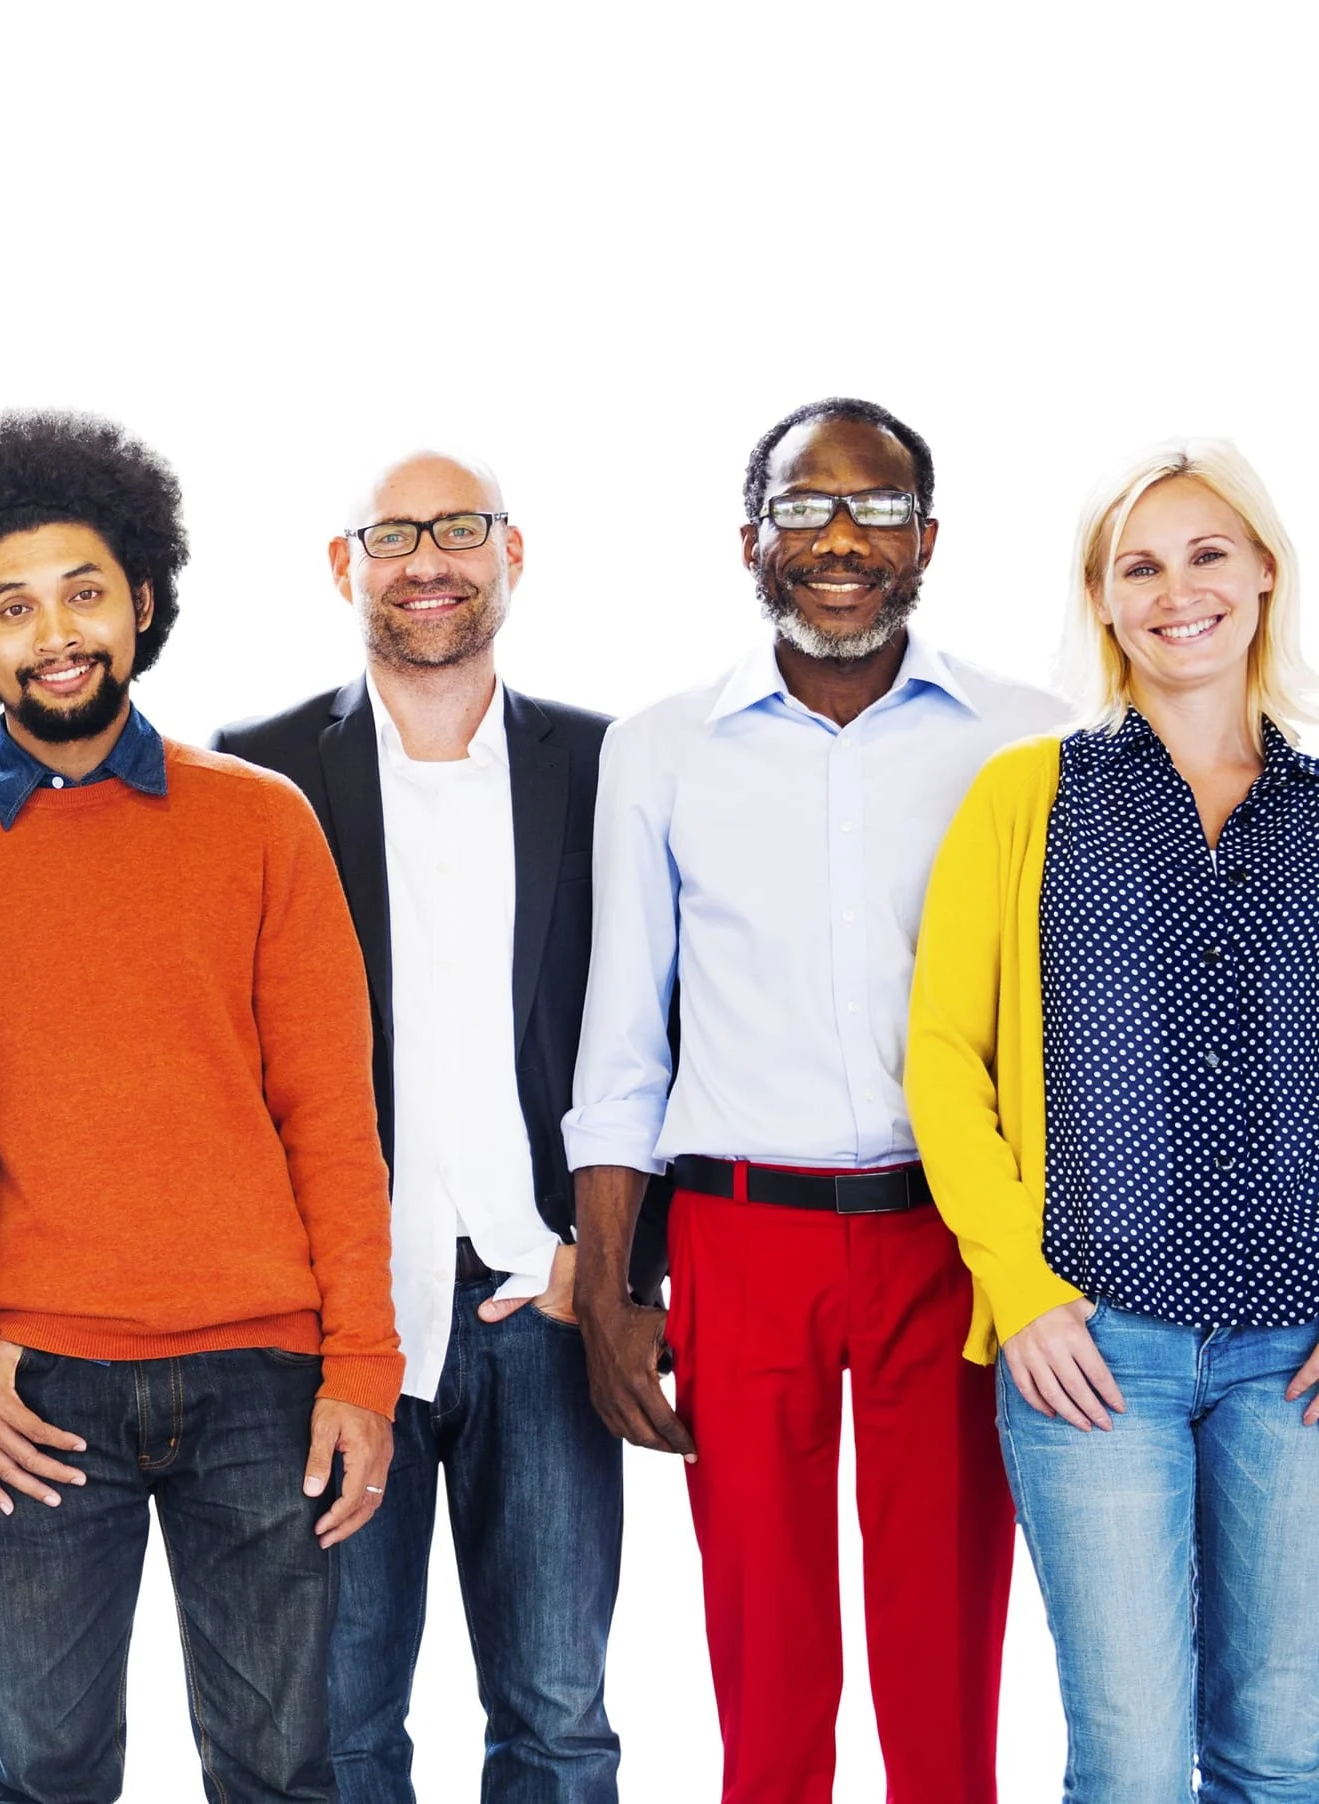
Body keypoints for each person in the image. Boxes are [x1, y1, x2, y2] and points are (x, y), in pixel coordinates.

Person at [0, 409, 399, 1804]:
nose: (56, 632)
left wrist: (361, 1369)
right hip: (34, 1393)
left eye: (85, 591)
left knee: (281, 1772)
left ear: (145, 599)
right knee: (41, 1772)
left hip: (263, 1383)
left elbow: (333, 1118)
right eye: (14, 607)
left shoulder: (264, 822)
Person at [564, 398, 1067, 1803]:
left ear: (928, 539)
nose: (840, 537)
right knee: (767, 1673)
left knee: (946, 1663)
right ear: (750, 542)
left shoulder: (1032, 743)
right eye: (802, 507)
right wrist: (610, 1292)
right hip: (743, 1241)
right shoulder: (660, 748)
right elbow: (623, 1045)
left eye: (877, 508)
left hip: (948, 1239)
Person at [908, 439, 1319, 1800]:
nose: (1177, 590)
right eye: (1139, 565)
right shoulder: (1030, 798)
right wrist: (1019, 1292)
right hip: (1096, 1348)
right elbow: (945, 1061)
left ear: (1265, 571)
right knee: (1135, 1767)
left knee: (1282, 1757)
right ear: (1102, 598)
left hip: (1296, 1360)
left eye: (1209, 554)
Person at [215, 451, 620, 1801]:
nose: (429, 561)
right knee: (334, 1729)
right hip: (343, 1331)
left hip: (543, 1315)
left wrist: (612, 1263)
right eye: (395, 535)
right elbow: (232, 1067)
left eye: (461, 530)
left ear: (514, 553)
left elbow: (662, 1031)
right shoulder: (259, 777)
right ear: (345, 567)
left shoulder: (608, 766)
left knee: (559, 1720)